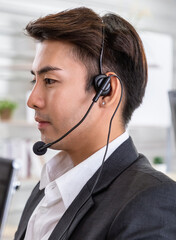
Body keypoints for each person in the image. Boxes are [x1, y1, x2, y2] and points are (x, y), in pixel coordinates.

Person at [14, 7, 176, 240]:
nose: (32, 100)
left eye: (49, 80)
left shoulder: (151, 202)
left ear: (106, 91)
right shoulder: (48, 188)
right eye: (34, 79)